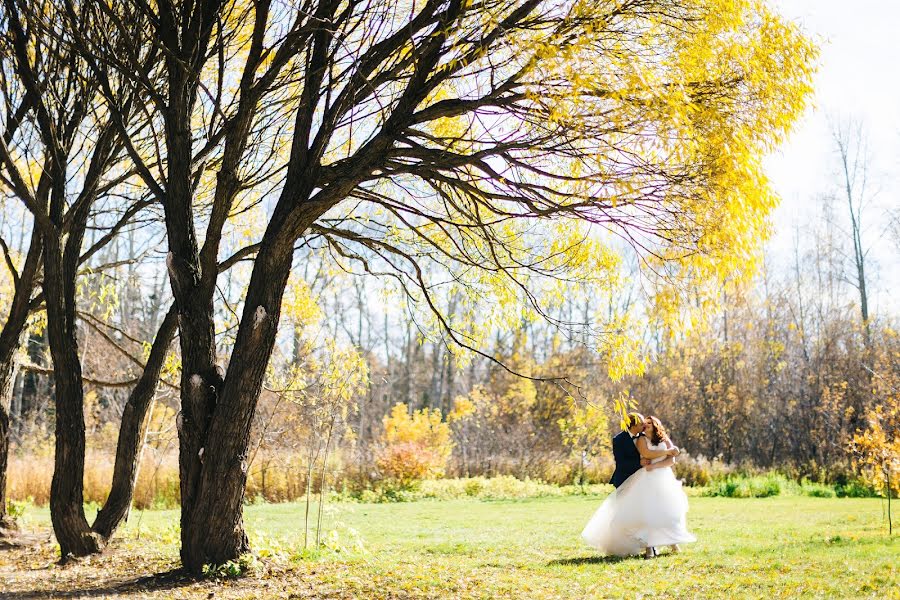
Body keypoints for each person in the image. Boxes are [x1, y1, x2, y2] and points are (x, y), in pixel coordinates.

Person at [582, 414, 696, 558]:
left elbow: (671, 459)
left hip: (662, 477)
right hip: (631, 478)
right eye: (643, 423)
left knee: (664, 510)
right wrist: (655, 458)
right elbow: (640, 455)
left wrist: (657, 464)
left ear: (655, 425)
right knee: (637, 512)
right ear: (634, 425)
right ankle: (646, 546)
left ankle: (671, 542)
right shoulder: (629, 439)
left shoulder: (662, 437)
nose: (645, 425)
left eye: (648, 423)